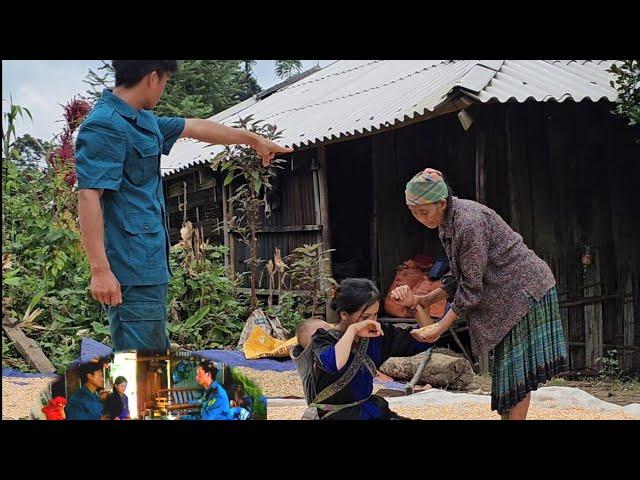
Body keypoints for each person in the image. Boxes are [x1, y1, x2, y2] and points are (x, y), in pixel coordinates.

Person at [75, 60, 293, 352]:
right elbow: (89, 195)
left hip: (149, 263)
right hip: (130, 265)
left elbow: (195, 127)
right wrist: (100, 270)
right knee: (143, 363)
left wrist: (253, 140)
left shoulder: (143, 120)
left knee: (149, 359)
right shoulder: (105, 124)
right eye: (165, 81)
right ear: (153, 77)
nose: (164, 89)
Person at [392, 167, 568, 420]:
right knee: (507, 368)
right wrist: (424, 300)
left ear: (442, 202)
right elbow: (458, 275)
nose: (420, 218)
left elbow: (471, 287)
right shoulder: (446, 223)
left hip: (523, 291)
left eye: (424, 212)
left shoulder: (468, 222)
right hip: (506, 291)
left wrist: (439, 327)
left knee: (516, 370)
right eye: (414, 213)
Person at [306, 278, 433, 420]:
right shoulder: (322, 339)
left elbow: (427, 337)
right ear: (344, 314)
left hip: (370, 411)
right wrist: (353, 330)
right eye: (366, 316)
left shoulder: (378, 335)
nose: (372, 321)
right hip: (337, 415)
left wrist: (414, 306)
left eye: (375, 315)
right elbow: (334, 363)